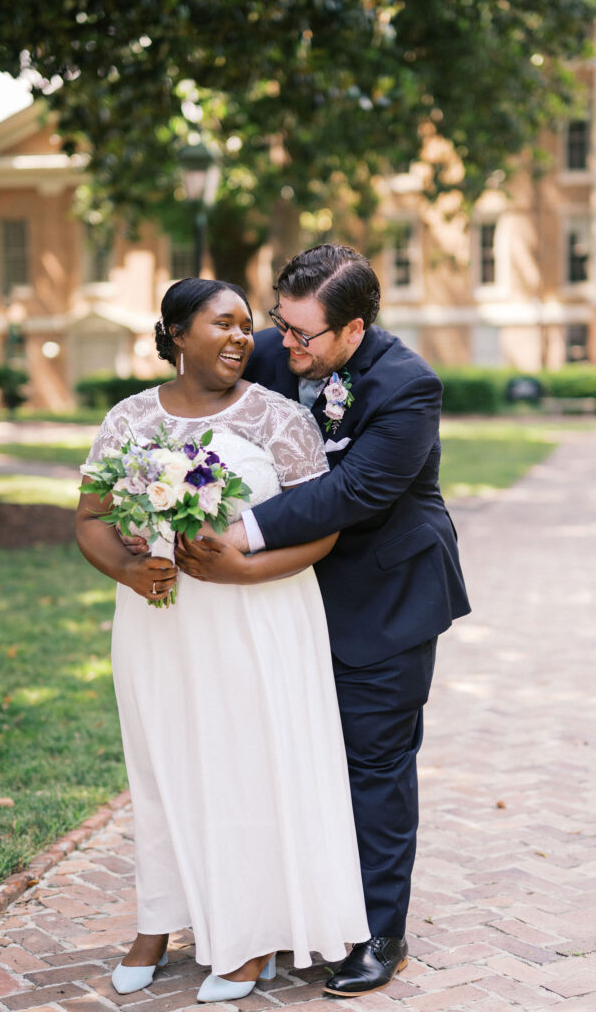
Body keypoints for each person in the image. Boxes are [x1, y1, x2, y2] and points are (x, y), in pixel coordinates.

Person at [175, 244, 470, 996]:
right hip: (282, 605)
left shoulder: (408, 385)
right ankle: (286, 913)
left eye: (304, 335)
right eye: (282, 325)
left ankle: (377, 932)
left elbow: (353, 492)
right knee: (286, 757)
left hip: (385, 599)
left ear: (353, 330)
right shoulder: (273, 351)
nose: (284, 346)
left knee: (372, 766)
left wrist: (237, 534)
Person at [75, 277, 369, 1004]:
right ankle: (160, 920)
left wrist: (243, 571)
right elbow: (90, 519)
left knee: (247, 766)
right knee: (163, 766)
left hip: (256, 616)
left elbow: (321, 529)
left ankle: (250, 937)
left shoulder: (277, 419)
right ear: (176, 333)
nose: (243, 337)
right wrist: (129, 570)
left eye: (248, 326)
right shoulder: (128, 419)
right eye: (223, 323)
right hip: (160, 621)